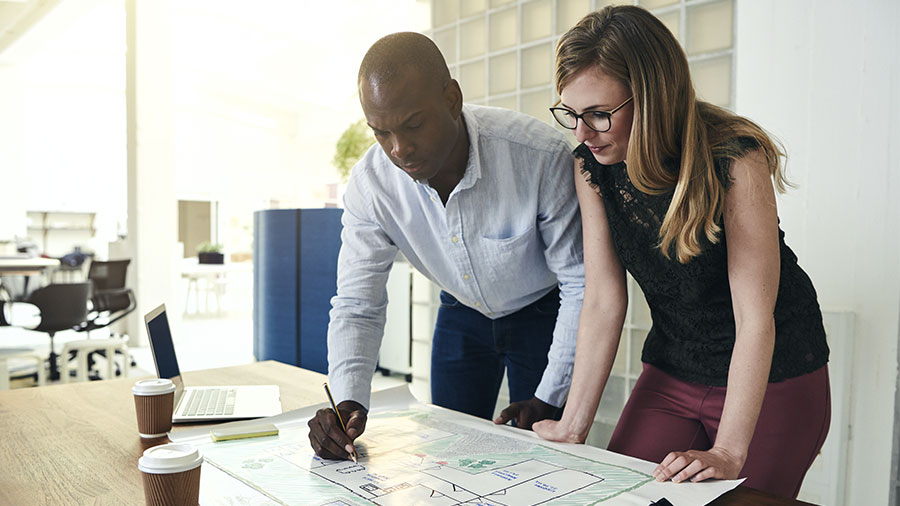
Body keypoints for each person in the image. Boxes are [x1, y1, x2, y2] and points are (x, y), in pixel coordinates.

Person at [532, 6, 830, 499]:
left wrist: (730, 453)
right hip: (673, 368)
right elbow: (605, 299)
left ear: (652, 98)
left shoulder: (735, 156)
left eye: (599, 114)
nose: (582, 134)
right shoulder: (592, 166)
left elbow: (755, 319)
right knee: (620, 495)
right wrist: (572, 425)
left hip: (776, 373)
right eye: (571, 114)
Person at [307, 32, 585, 461]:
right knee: (453, 455)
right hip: (460, 312)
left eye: (413, 124)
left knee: (548, 453)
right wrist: (346, 402)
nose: (400, 149)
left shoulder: (537, 156)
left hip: (544, 313)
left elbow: (581, 284)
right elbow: (357, 304)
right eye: (381, 133)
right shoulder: (371, 185)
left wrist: (551, 396)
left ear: (452, 99)